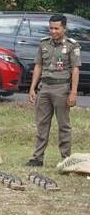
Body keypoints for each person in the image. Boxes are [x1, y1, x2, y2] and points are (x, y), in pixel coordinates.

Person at [27, 14, 81, 167]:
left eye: (56, 28)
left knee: (63, 125)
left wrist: (73, 92)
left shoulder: (72, 45)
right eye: (51, 28)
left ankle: (66, 159)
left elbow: (75, 70)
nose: (53, 31)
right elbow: (38, 65)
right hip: (44, 88)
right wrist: (33, 87)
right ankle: (37, 158)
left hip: (61, 88)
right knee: (41, 124)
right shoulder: (43, 44)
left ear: (64, 28)